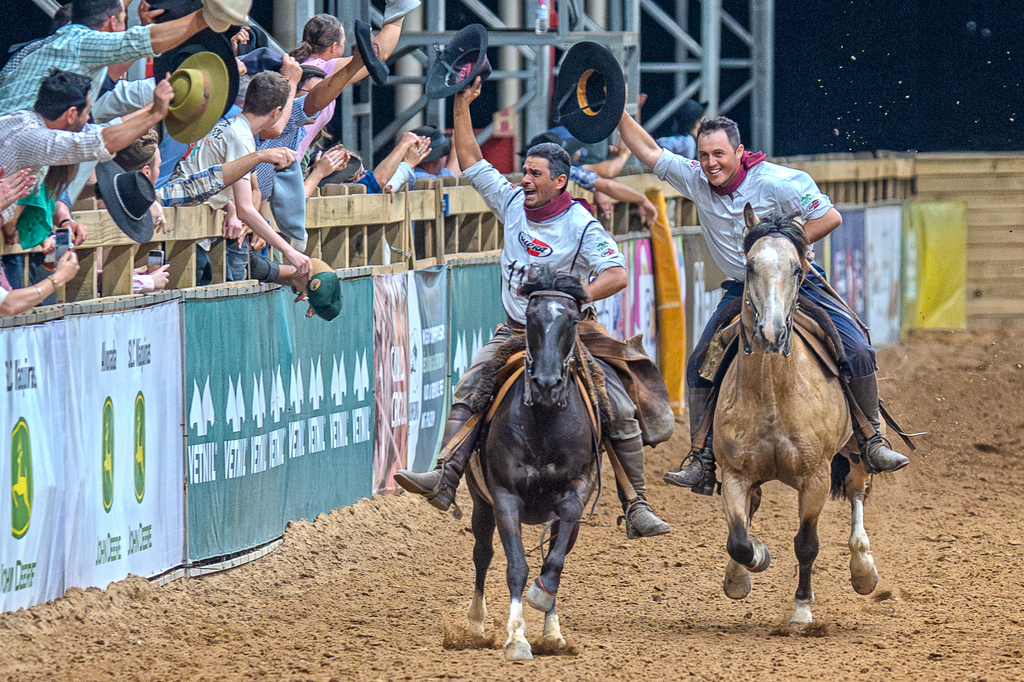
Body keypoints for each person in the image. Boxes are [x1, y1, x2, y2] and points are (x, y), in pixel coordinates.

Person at [394, 77, 672, 539]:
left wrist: (576, 295)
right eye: (524, 171)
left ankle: (636, 503)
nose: (524, 179)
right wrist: (462, 105)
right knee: (470, 388)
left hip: (569, 334)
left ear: (559, 182)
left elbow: (618, 274)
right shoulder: (512, 204)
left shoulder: (580, 223)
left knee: (618, 408)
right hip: (515, 332)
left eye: (534, 174)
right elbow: (472, 162)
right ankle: (445, 476)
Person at [615, 111, 910, 495]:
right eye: (704, 155)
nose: (710, 163)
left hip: (795, 283)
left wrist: (784, 249)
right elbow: (649, 150)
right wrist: (616, 109)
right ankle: (702, 458)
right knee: (700, 362)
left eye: (719, 154)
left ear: (739, 152)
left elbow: (829, 216)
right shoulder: (696, 178)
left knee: (856, 347)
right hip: (742, 291)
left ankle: (872, 440)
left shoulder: (779, 182)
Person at [170, 68, 311, 280]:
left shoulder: (230, 124)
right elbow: (247, 209)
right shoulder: (241, 138)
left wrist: (230, 207)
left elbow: (213, 172)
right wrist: (290, 252)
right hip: (184, 226)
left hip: (188, 219)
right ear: (276, 111)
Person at [0, 0, 228, 116]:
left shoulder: (63, 41)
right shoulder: (83, 42)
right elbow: (144, 41)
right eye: (124, 21)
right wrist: (210, 15)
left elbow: (112, 72)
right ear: (112, 23)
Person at [521, 132, 657, 226]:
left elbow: (601, 177)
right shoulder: (563, 172)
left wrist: (596, 188)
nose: (577, 152)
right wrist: (642, 199)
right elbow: (607, 181)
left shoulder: (526, 176)